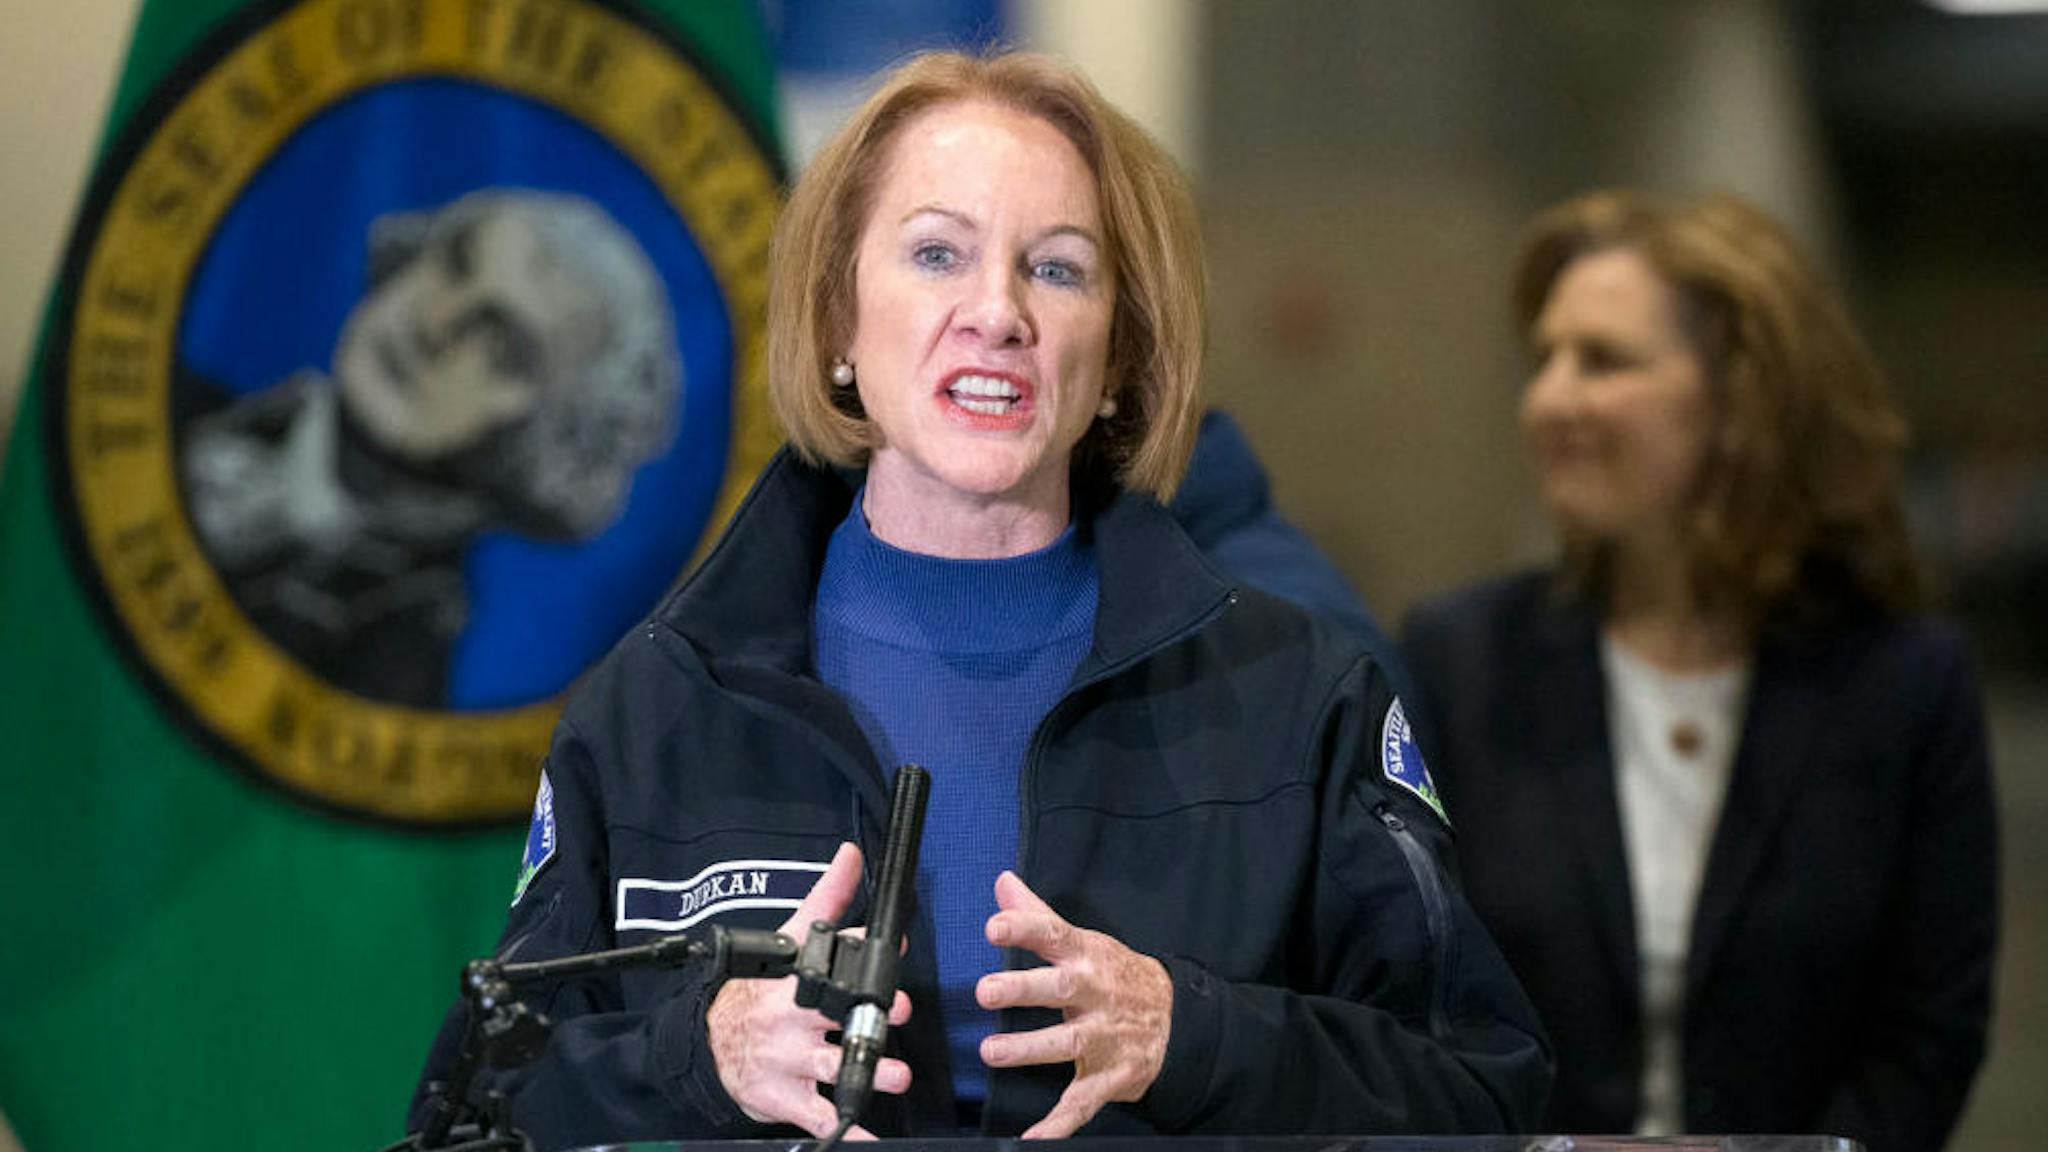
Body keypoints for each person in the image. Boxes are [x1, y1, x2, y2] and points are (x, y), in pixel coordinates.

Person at [409, 50, 1549, 1150]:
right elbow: (472, 1119)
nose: (995, 311)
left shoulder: (1294, 695)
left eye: (1056, 269)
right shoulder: (662, 701)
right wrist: (697, 1058)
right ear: (839, 318)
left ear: (1117, 358)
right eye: (937, 254)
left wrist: (1197, 1037)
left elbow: (1483, 1092)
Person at [1401, 189, 1997, 1150]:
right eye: (1544, 358)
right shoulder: (1459, 659)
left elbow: (1926, 1038)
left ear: (1742, 400)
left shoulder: (1904, 685)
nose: (1549, 399)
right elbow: (1413, 999)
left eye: (1603, 360)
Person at [179, 190, 680, 704]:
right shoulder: (179, 408)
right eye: (456, 263)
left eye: (503, 348)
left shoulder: (399, 647)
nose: (433, 324)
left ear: (549, 443)